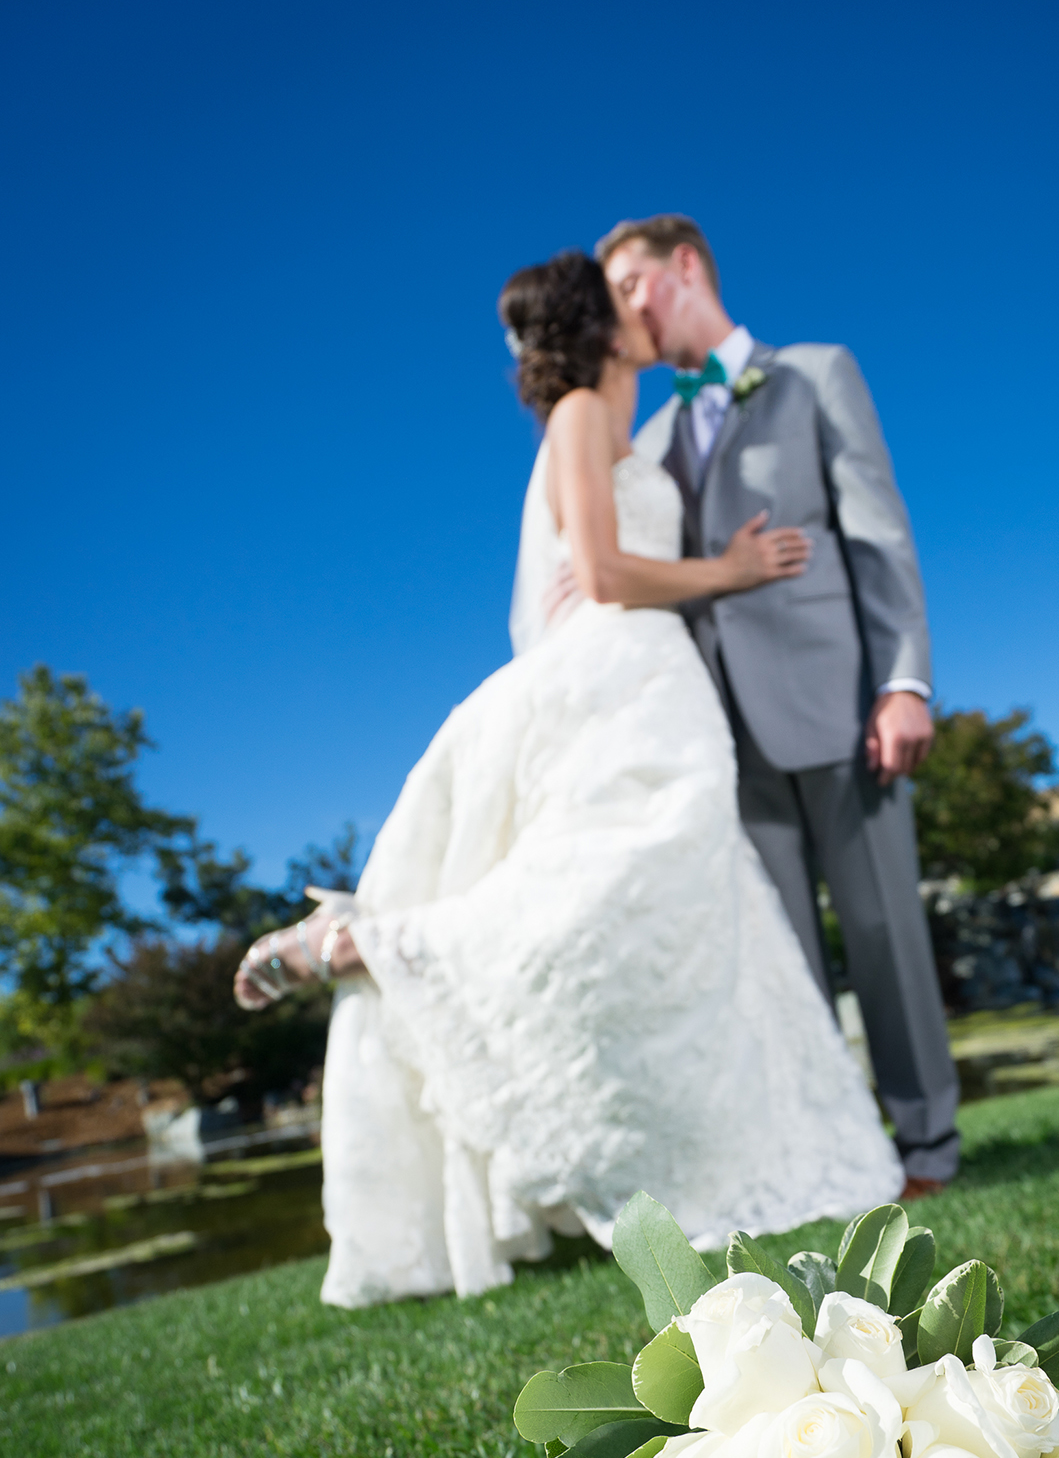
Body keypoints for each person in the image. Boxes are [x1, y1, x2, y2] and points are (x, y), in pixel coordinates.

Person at [233, 250, 902, 1307]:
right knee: (599, 897)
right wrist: (727, 569)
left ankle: (721, 1149)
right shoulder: (587, 408)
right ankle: (368, 942)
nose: (641, 309)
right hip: (625, 670)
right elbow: (597, 575)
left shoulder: (626, 429)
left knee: (672, 916)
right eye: (622, 294)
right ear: (598, 321)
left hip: (654, 677)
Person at [599, 215, 959, 1196]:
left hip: (841, 701)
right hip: (722, 729)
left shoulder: (813, 373)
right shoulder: (652, 435)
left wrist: (904, 681)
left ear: (686, 266)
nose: (623, 306)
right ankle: (836, 1163)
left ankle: (930, 1149)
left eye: (633, 281)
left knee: (887, 936)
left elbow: (877, 533)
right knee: (787, 968)